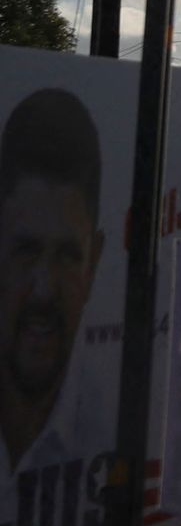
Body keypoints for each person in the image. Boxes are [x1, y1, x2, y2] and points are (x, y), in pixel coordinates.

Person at [2, 85, 105, 479]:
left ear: (93, 262)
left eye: (67, 256)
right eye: (27, 250)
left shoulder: (112, 433)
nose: (44, 288)